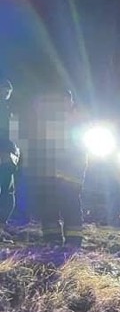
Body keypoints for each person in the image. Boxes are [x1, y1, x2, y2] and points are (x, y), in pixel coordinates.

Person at [20, 86, 87, 249]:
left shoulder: (78, 119)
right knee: (48, 204)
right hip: (48, 170)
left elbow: (82, 144)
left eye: (66, 99)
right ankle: (52, 238)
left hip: (71, 170)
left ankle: (74, 240)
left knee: (70, 203)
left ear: (71, 101)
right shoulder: (47, 120)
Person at [0, 79, 20, 243]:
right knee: (5, 191)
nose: (5, 94)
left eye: (7, 92)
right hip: (4, 153)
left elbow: (13, 135)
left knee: (7, 191)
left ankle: (1, 224)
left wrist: (15, 151)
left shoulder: (10, 110)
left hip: (8, 155)